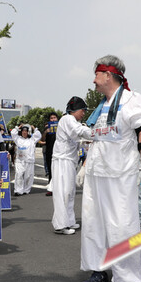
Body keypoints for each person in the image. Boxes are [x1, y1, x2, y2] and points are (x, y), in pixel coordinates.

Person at [80, 55, 141, 282]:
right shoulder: (102, 105)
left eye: (97, 75)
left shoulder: (131, 99)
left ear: (108, 75)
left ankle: (127, 276)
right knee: (94, 224)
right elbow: (97, 138)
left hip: (121, 173)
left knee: (123, 225)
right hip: (97, 173)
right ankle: (99, 270)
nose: (94, 80)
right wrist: (85, 166)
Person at [51, 96, 91, 234]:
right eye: (83, 110)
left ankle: (69, 221)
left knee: (69, 192)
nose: (84, 113)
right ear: (75, 109)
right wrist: (95, 134)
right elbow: (79, 132)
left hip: (69, 161)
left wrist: (85, 141)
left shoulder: (71, 121)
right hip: (62, 161)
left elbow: (75, 138)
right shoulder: (68, 119)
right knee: (63, 192)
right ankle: (60, 225)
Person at [10, 124, 42, 195]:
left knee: (28, 176)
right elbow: (13, 133)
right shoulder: (18, 139)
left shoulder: (32, 140)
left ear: (28, 132)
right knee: (19, 174)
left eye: (26, 131)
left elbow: (38, 135)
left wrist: (34, 128)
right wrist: (17, 127)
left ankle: (26, 190)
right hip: (20, 160)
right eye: (23, 131)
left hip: (29, 161)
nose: (24, 132)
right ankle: (18, 190)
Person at [42, 112, 59, 195]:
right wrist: (46, 132)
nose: (53, 119)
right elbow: (42, 139)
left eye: (54, 118)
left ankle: (58, 188)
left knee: (59, 170)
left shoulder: (61, 127)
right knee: (50, 169)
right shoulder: (46, 128)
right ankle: (51, 188)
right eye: (51, 118)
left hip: (59, 151)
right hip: (49, 151)